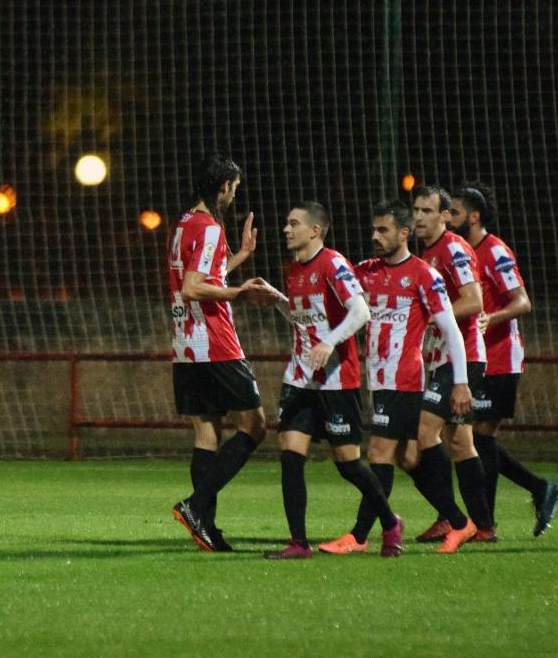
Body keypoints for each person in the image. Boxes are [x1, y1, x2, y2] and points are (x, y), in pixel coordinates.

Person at [255, 201, 402, 560]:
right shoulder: (293, 270)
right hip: (300, 378)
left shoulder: (334, 263)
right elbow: (302, 316)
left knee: (348, 463)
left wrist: (330, 341)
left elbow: (361, 311)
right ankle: (298, 543)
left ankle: (390, 521)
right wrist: (275, 299)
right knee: (290, 456)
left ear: (315, 231)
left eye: (294, 224)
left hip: (337, 379)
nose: (286, 230)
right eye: (286, 224)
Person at [342, 199, 469, 555]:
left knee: (379, 452)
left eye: (383, 230)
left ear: (404, 233)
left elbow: (451, 331)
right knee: (409, 458)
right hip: (377, 379)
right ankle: (459, 521)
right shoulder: (364, 272)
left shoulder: (424, 275)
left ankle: (362, 536)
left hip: (406, 378)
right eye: (373, 229)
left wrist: (461, 381)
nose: (375, 236)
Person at [169, 154, 282, 552]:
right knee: (255, 427)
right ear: (222, 187)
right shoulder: (212, 227)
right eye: (233, 187)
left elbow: (197, 277)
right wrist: (242, 293)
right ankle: (196, 506)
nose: (235, 194)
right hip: (215, 343)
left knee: (208, 433)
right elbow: (193, 287)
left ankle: (205, 527)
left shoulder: (184, 224)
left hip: (186, 346)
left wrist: (241, 258)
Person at [449, 183, 558, 539]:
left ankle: (493, 519)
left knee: (479, 437)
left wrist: (490, 318)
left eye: (454, 212)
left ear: (474, 216)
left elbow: (523, 302)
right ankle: (502, 512)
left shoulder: (495, 251)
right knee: (476, 438)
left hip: (500, 358)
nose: (448, 219)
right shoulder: (461, 252)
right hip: (477, 356)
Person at [411, 185, 495, 553]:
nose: (418, 217)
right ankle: (484, 525)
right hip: (439, 358)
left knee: (423, 434)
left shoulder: (454, 249)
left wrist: (424, 319)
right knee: (461, 443)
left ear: (445, 216)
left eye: (427, 210)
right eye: (415, 210)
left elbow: (473, 300)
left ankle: (451, 518)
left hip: (461, 358)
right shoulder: (427, 253)